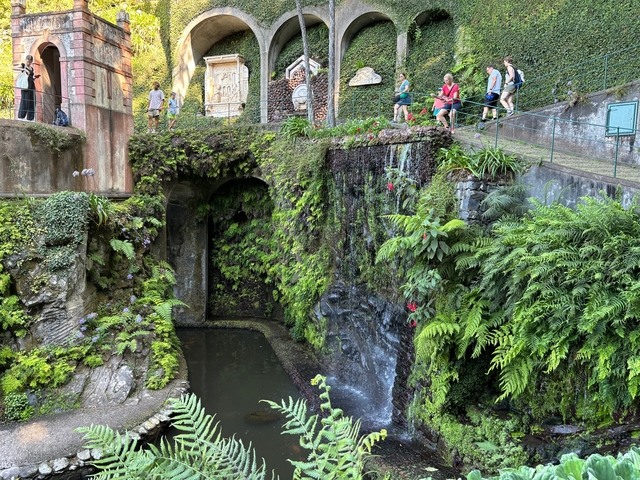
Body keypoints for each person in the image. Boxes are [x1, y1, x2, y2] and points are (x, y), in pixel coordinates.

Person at [14, 55, 40, 122]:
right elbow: (14, 68)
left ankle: (30, 118)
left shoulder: (31, 68)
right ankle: (21, 117)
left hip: (31, 85)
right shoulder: (23, 65)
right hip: (25, 86)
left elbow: (30, 77)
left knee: (32, 101)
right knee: (25, 101)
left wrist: (34, 77)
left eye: (30, 62)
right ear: (26, 60)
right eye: (28, 61)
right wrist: (24, 69)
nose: (28, 63)